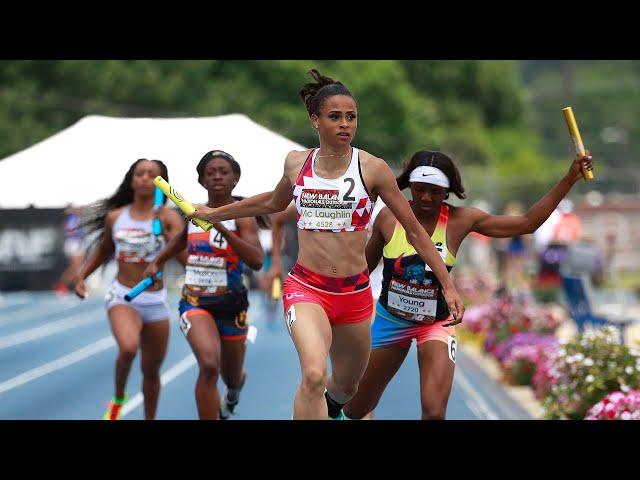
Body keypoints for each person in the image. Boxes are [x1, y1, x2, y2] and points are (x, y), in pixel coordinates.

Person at [187, 69, 465, 420]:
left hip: (354, 295)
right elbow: (273, 203)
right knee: (314, 374)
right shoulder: (296, 163)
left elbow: (413, 231)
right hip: (307, 288)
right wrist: (215, 214)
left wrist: (448, 284)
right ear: (315, 120)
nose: (345, 124)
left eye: (351, 117)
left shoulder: (372, 168)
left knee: (347, 389)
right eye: (335, 117)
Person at [343, 149, 594, 420]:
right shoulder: (388, 219)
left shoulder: (460, 220)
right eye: (420, 189)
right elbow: (363, 271)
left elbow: (527, 223)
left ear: (448, 191)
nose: (426, 198)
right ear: (409, 187)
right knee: (355, 409)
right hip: (390, 320)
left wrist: (569, 178)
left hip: (436, 324)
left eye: (436, 192)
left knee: (434, 412)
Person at [144, 150, 265, 420]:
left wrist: (218, 224)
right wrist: (157, 262)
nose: (218, 177)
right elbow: (180, 240)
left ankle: (232, 394)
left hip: (233, 306)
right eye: (211, 173)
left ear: (235, 179)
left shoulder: (243, 217)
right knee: (209, 365)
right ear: (202, 181)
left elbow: (256, 260)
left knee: (232, 377)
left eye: (224, 172)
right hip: (196, 302)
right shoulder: (192, 212)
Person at [74, 159, 185, 420]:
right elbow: (103, 251)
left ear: (162, 184)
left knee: (151, 371)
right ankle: (119, 398)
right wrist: (82, 277)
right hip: (123, 296)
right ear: (132, 179)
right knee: (128, 348)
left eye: (152, 175)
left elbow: (185, 258)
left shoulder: (169, 217)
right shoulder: (116, 217)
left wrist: (169, 234)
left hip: (156, 300)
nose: (145, 178)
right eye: (140, 174)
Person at [53, 206, 85, 296]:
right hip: (74, 243)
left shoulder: (75, 218)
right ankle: (61, 286)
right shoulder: (73, 218)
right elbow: (71, 231)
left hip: (76, 243)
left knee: (77, 268)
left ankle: (78, 287)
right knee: (74, 268)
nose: (82, 210)